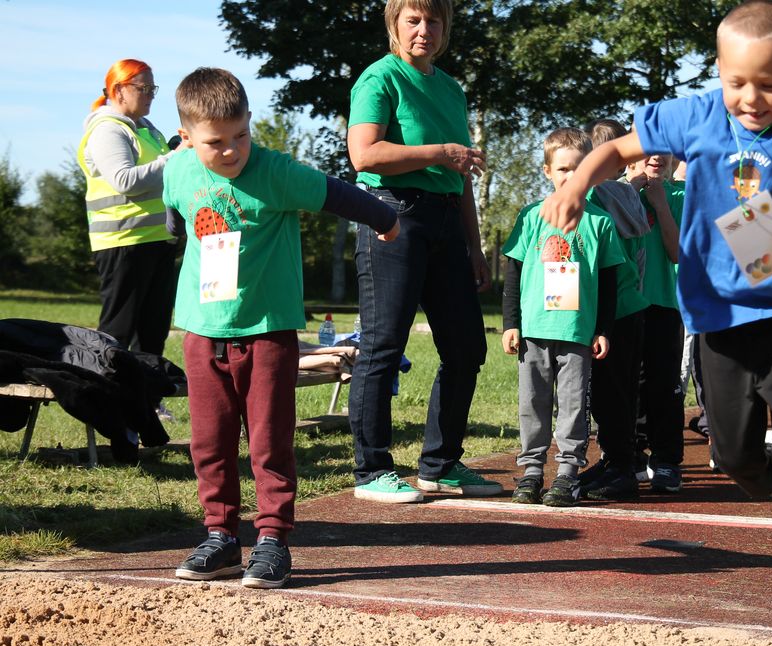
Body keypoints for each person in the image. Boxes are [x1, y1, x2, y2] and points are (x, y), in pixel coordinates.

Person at [540, 0, 772, 522]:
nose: (751, 98)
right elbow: (615, 151)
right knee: (732, 456)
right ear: (719, 69)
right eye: (737, 82)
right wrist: (574, 187)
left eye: (770, 84)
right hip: (716, 314)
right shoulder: (698, 115)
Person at [164, 68, 399, 589]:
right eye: (215, 142)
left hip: (267, 329)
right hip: (202, 330)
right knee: (209, 441)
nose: (231, 150)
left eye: (241, 135)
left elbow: (337, 194)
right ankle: (220, 536)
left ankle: (272, 539)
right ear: (186, 138)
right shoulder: (178, 168)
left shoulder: (275, 172)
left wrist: (384, 219)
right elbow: (175, 207)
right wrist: (174, 227)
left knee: (269, 441)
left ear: (250, 121)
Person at [346, 0, 501, 503]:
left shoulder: (451, 88)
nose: (423, 30)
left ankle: (441, 464)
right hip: (392, 215)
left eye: (433, 20)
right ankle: (372, 471)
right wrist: (439, 152)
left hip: (447, 222)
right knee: (384, 345)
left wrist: (474, 246)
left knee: (467, 347)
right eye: (413, 19)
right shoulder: (379, 78)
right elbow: (364, 154)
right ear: (394, 24)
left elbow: (463, 174)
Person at [502, 128, 623, 506]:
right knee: (532, 402)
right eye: (563, 169)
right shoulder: (531, 216)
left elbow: (609, 283)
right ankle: (532, 471)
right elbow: (512, 272)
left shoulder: (600, 222)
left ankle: (568, 473)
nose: (571, 176)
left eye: (579, 168)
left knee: (573, 406)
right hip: (534, 330)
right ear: (547, 171)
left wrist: (602, 329)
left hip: (577, 331)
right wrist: (511, 323)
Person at [77, 59, 178, 391]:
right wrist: (174, 158)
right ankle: (108, 396)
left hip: (156, 240)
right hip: (124, 242)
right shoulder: (108, 130)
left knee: (153, 329)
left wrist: (175, 152)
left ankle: (148, 399)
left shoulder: (146, 128)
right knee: (118, 331)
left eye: (153, 89)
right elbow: (125, 181)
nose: (150, 95)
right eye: (143, 88)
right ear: (119, 90)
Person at [576, 119, 651, 501]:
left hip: (613, 308)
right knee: (614, 393)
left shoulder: (597, 195)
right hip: (625, 303)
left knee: (612, 394)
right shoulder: (627, 196)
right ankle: (615, 461)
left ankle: (622, 468)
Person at [627, 153, 687, 492]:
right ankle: (626, 456)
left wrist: (661, 203)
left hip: (663, 302)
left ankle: (666, 461)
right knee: (625, 385)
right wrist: (631, 191)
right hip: (624, 305)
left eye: (664, 147)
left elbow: (677, 252)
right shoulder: (614, 192)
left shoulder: (680, 196)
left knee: (664, 386)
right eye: (647, 145)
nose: (655, 155)